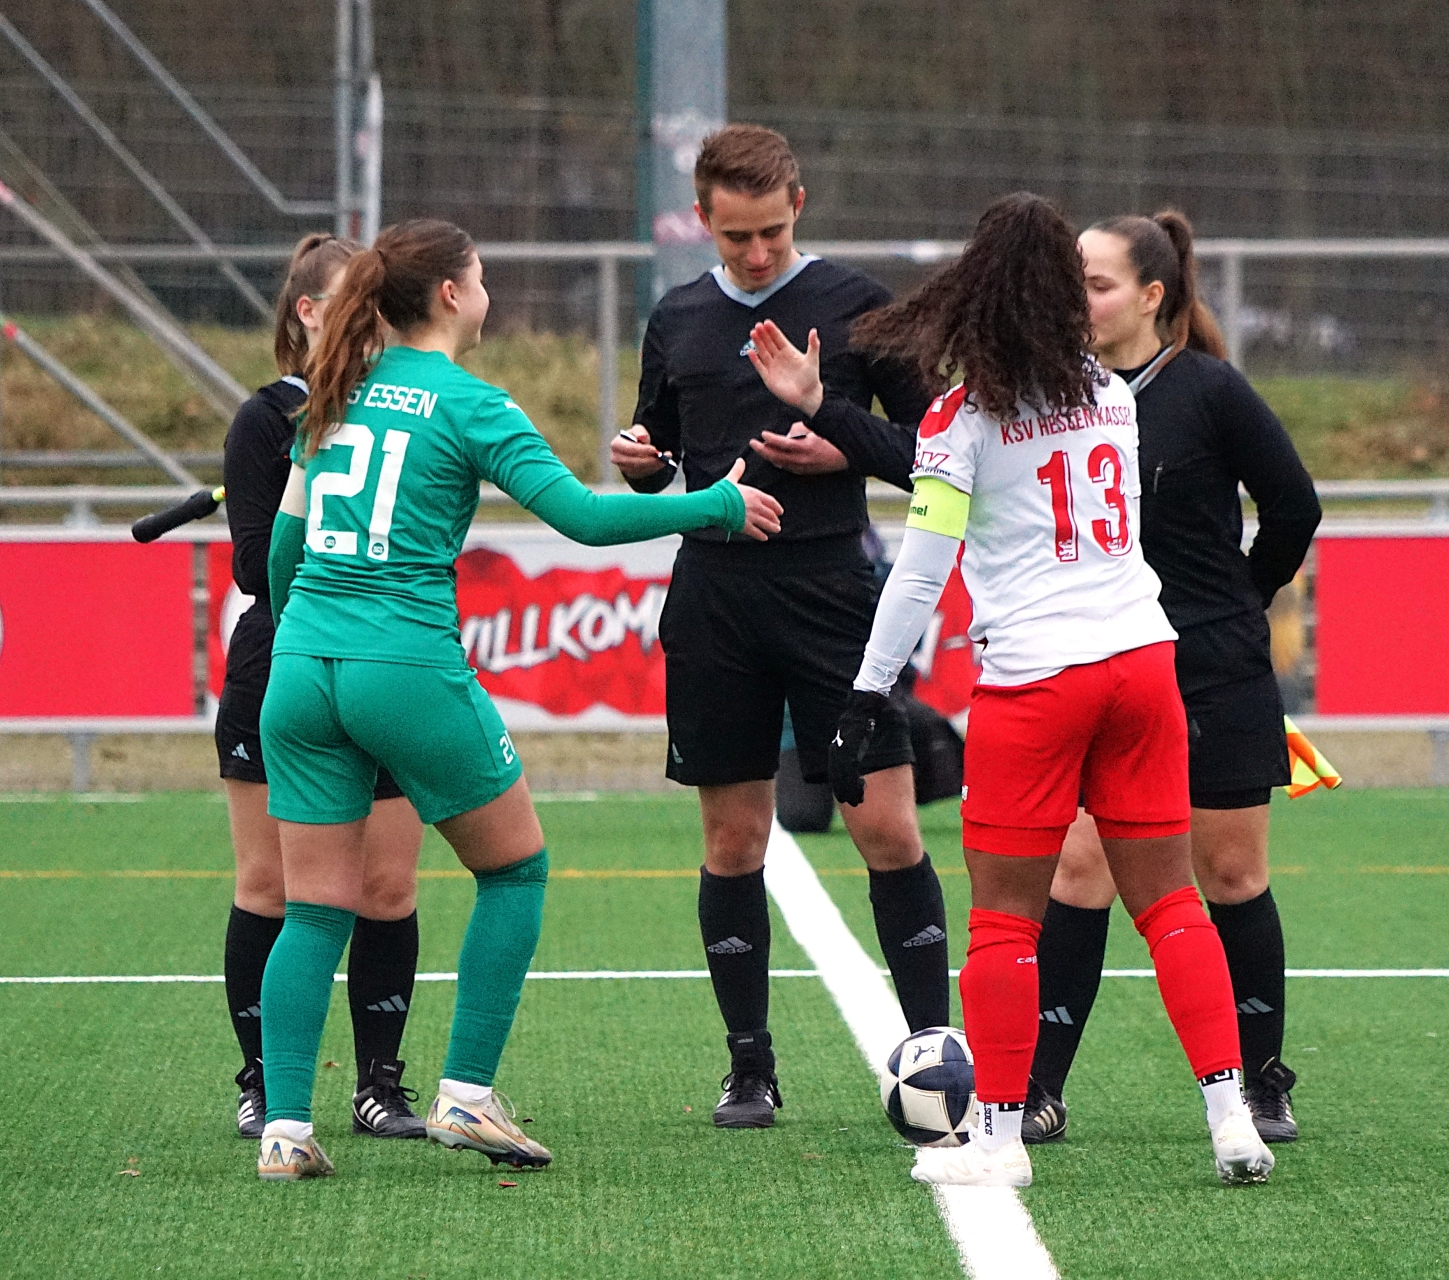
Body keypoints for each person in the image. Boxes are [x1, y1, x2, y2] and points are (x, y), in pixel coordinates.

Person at [252, 218, 782, 1181]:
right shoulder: (470, 402)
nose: (488, 293)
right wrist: (716, 505)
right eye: (483, 277)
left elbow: (286, 550)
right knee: (516, 869)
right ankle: (464, 1094)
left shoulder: (335, 390)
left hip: (299, 667)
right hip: (402, 664)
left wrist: (306, 640)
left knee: (315, 910)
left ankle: (285, 1129)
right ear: (452, 295)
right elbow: (581, 517)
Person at [827, 192, 1273, 1189]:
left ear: (975, 289)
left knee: (1003, 921)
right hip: (1142, 661)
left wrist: (866, 692)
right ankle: (1231, 1118)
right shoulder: (1110, 391)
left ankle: (997, 1141)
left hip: (1038, 678)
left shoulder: (962, 417)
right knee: (1173, 903)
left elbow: (920, 572)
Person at [610, 124, 952, 1129]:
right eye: (735, 237)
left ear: (798, 203)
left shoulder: (862, 306)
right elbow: (661, 453)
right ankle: (750, 1066)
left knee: (885, 825)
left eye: (771, 231)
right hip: (716, 601)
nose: (757, 253)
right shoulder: (677, 316)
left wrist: (841, 447)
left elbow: (934, 453)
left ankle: (934, 1053)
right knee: (733, 837)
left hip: (835, 593)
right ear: (702, 221)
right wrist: (642, 463)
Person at [1021, 212, 1321, 1148]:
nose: (1079, 301)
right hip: (1103, 667)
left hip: (1212, 670)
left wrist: (1239, 599)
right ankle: (1038, 1087)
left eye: (1098, 284)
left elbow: (1294, 505)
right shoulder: (1053, 395)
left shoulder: (1209, 391)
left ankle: (1262, 1082)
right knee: (1081, 867)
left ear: (1152, 296)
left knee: (1229, 873)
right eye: (1073, 283)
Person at [216, 232, 429, 1142]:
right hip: (285, 668)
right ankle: (263, 1079)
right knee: (271, 887)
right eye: (354, 302)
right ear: (308, 312)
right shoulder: (266, 420)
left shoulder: (405, 412)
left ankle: (379, 1083)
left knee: (387, 889)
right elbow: (256, 570)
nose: (373, 321)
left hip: (388, 667)